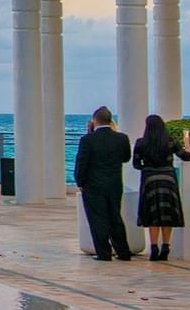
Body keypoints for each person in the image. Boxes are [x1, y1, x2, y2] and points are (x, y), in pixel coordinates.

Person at [73, 105, 132, 262]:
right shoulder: (122, 138)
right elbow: (126, 158)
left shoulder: (88, 140)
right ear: (110, 121)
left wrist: (80, 181)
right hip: (114, 184)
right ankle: (123, 251)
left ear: (94, 121)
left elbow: (82, 162)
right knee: (115, 217)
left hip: (93, 185)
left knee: (97, 218)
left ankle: (104, 252)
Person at [132, 114, 190, 261]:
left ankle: (153, 246)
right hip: (168, 179)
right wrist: (187, 142)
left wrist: (147, 167)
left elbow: (136, 164)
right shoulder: (170, 141)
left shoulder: (141, 143)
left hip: (149, 180)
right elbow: (186, 156)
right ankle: (165, 246)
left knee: (153, 214)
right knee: (166, 213)